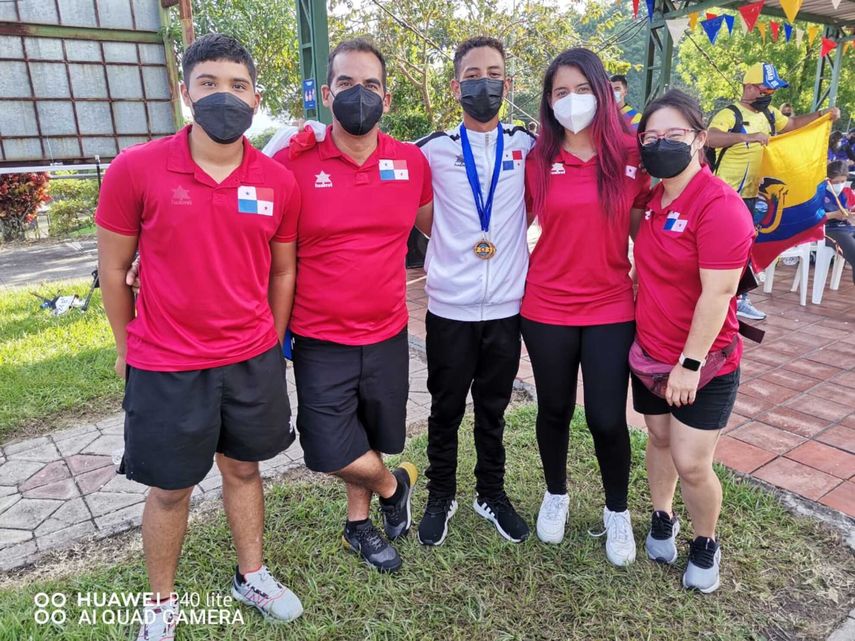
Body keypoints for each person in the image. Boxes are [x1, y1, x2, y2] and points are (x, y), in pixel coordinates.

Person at [96, 34, 304, 641]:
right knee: (170, 488)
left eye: (238, 86)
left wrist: (275, 341)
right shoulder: (136, 169)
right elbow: (114, 269)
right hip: (166, 363)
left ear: (256, 98)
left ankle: (253, 574)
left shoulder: (277, 180)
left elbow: (284, 268)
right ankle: (160, 602)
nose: (224, 96)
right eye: (208, 83)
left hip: (250, 359)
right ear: (185, 92)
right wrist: (124, 345)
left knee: (243, 470)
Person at [271, 39, 433, 573]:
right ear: (325, 92)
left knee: (372, 433)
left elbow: (442, 230)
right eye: (345, 84)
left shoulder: (410, 162)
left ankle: (358, 527)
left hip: (390, 333)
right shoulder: (293, 161)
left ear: (386, 97)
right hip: (320, 337)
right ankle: (394, 486)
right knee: (325, 447)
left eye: (369, 85)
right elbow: (246, 225)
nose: (357, 95)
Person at [523, 48, 650, 566]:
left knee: (604, 417)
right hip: (546, 306)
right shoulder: (535, 159)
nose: (571, 101)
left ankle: (616, 511)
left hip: (611, 308)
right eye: (559, 92)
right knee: (553, 409)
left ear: (602, 92)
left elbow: (649, 235)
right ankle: (556, 494)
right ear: (548, 102)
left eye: (580, 90)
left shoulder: (631, 155)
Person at [633, 89, 754, 593]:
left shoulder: (719, 205)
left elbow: (720, 292)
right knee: (659, 440)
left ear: (700, 140)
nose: (661, 144)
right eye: (651, 136)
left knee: (692, 461)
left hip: (703, 364)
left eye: (674, 135)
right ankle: (662, 516)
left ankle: (706, 540)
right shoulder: (651, 198)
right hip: (648, 354)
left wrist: (689, 363)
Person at [414, 36, 533, 546]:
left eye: (494, 73)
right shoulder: (433, 151)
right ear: (456, 85)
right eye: (472, 74)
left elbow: (529, 210)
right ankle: (441, 491)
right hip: (449, 309)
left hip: (506, 309)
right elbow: (423, 220)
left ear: (507, 84)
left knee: (493, 407)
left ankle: (491, 491)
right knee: (445, 409)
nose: (483, 83)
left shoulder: (527, 145)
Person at [707, 62, 840, 321]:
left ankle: (738, 299)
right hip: (724, 195)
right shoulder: (730, 114)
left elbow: (791, 124)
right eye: (765, 90)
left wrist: (821, 115)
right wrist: (746, 137)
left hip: (754, 196)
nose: (769, 96)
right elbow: (710, 137)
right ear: (749, 87)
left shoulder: (769, 115)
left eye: (772, 91)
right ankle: (714, 298)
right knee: (722, 249)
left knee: (747, 248)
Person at [824, 160, 855, 284]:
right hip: (827, 231)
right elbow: (811, 219)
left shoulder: (842, 194)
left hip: (845, 228)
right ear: (827, 179)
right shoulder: (818, 193)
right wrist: (834, 215)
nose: (840, 185)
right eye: (835, 182)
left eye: (842, 181)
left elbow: (845, 213)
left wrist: (849, 215)